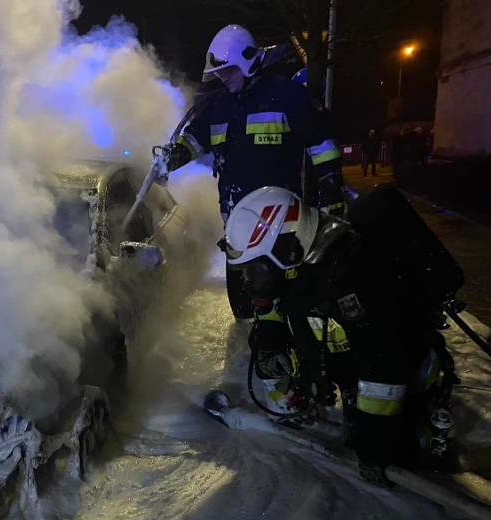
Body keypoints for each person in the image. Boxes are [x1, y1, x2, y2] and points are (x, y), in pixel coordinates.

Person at [222, 185, 461, 486]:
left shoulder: (356, 274)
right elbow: (274, 307)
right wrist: (269, 344)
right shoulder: (295, 269)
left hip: (402, 372)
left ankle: (427, 421)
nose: (249, 282)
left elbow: (383, 367)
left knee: (407, 458)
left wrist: (374, 450)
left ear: (286, 248)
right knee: (361, 434)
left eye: (254, 271)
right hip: (356, 369)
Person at [158, 24, 347, 320]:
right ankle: (256, 346)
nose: (224, 78)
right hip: (236, 224)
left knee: (284, 301)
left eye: (229, 71)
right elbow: (194, 139)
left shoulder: (288, 96)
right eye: (220, 73)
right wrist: (176, 155)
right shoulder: (216, 107)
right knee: (245, 310)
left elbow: (321, 143)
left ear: (247, 62)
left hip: (281, 225)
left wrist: (331, 183)